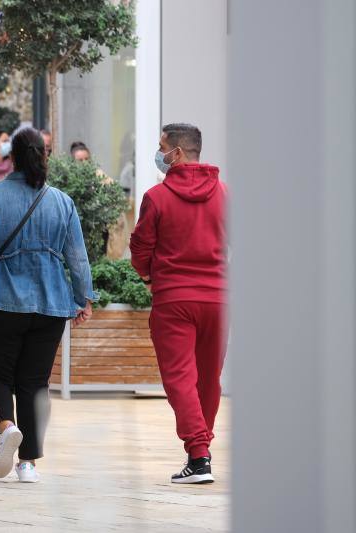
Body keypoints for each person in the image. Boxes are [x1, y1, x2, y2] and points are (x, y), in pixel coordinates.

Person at [0, 128, 96, 484]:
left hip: (1, 300)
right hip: (51, 303)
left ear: (12, 157)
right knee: (35, 383)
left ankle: (6, 426)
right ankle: (28, 464)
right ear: (44, 156)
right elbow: (77, 258)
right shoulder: (62, 201)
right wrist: (84, 299)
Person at [129, 123, 227, 485]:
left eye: (162, 147)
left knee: (180, 378)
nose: (159, 154)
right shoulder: (225, 194)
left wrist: (147, 275)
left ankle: (199, 455)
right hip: (217, 298)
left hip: (173, 299)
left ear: (177, 153)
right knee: (208, 379)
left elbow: (141, 246)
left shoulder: (157, 197)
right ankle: (201, 451)